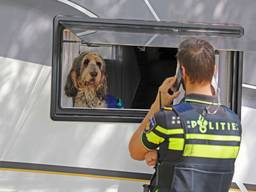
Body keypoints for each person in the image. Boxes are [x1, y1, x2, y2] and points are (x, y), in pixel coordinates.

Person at [128, 38, 242, 192]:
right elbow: (200, 158)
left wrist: (157, 104)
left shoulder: (168, 119)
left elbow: (135, 150)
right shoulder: (234, 123)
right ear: (214, 70)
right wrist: (162, 155)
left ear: (182, 72)